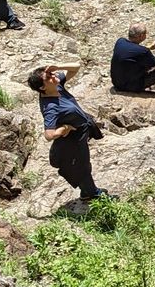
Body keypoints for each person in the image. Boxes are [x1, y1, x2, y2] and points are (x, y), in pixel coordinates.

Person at [28, 63, 109, 203]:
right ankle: (92, 193)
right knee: (82, 165)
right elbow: (49, 135)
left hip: (81, 130)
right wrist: (64, 128)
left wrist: (57, 67)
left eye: (51, 74)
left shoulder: (56, 86)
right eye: (49, 77)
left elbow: (76, 67)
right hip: (72, 139)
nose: (53, 76)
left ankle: (87, 192)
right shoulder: (51, 107)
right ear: (42, 87)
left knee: (82, 163)